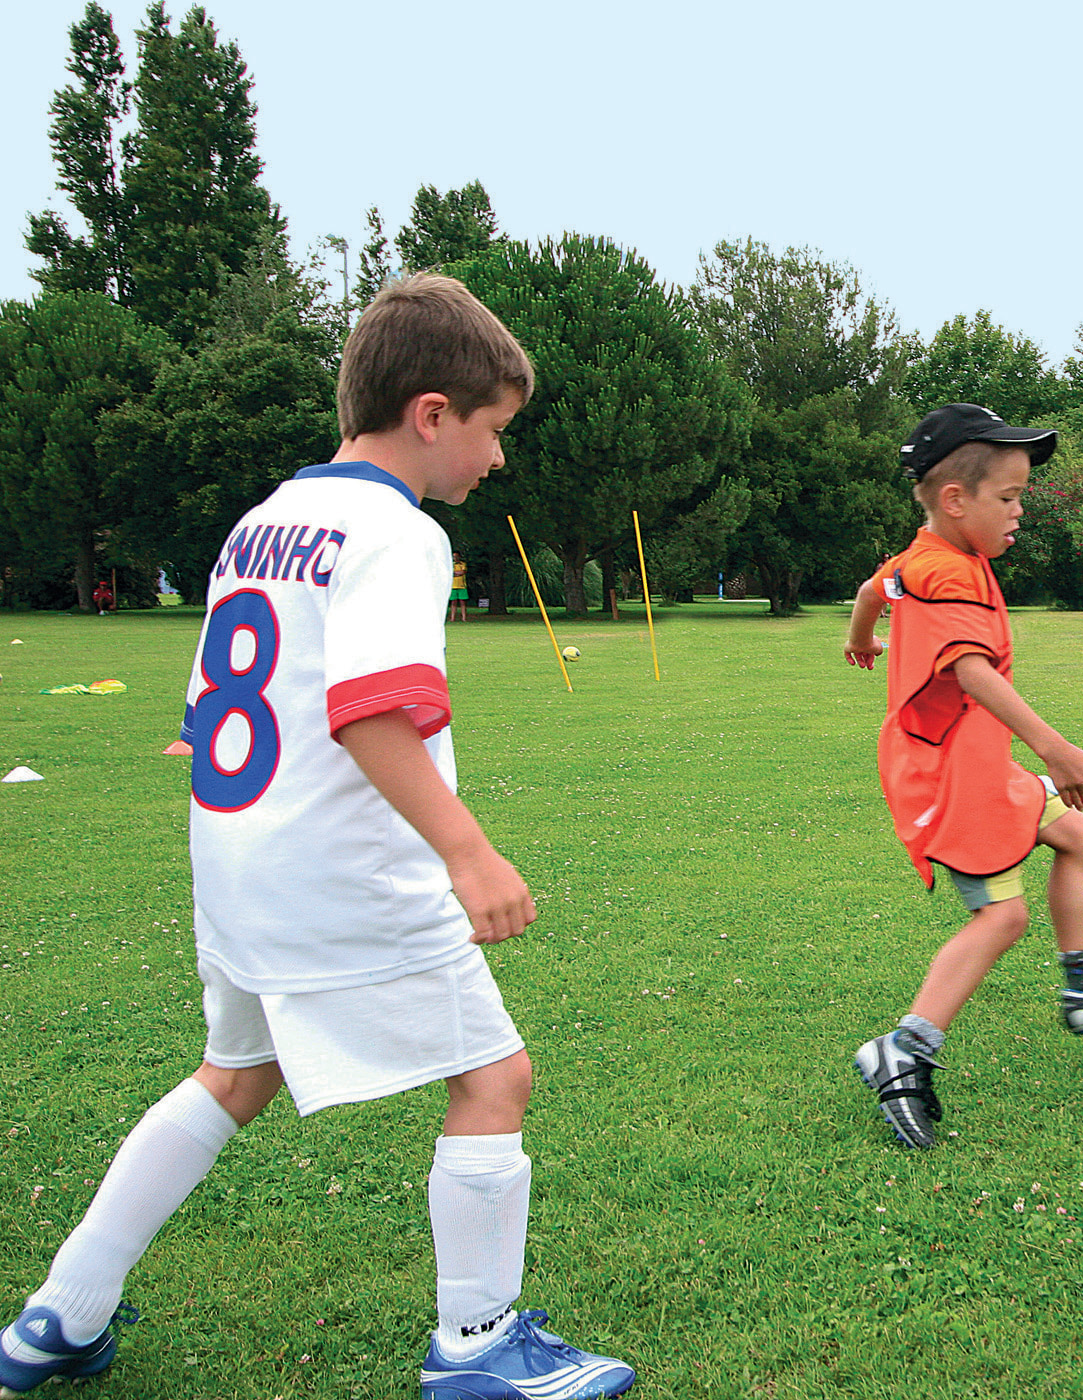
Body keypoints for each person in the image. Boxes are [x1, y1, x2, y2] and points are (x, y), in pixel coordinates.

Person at [0, 274, 634, 1400]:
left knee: (233, 1073)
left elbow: (216, 704)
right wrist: (467, 850)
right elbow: (370, 708)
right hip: (345, 871)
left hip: (237, 862)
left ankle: (61, 1312)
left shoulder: (264, 521)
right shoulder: (396, 532)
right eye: (493, 431)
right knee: (496, 1076)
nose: (497, 460)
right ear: (432, 413)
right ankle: (479, 1347)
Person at [843, 404, 1083, 1150]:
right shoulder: (947, 575)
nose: (1021, 510)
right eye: (1009, 497)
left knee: (1076, 834)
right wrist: (1054, 746)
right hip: (952, 781)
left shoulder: (922, 561)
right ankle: (904, 1051)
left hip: (978, 765)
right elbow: (970, 668)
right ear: (955, 500)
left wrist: (861, 640)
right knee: (1002, 917)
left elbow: (873, 590)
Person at [450, 551, 470, 622]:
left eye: (456, 556)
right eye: (454, 556)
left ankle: (464, 618)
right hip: (453, 586)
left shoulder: (463, 564)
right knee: (453, 602)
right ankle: (452, 618)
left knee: (462, 602)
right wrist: (457, 573)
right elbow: (450, 573)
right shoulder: (451, 564)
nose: (455, 558)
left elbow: (463, 572)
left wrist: (456, 573)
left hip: (462, 586)